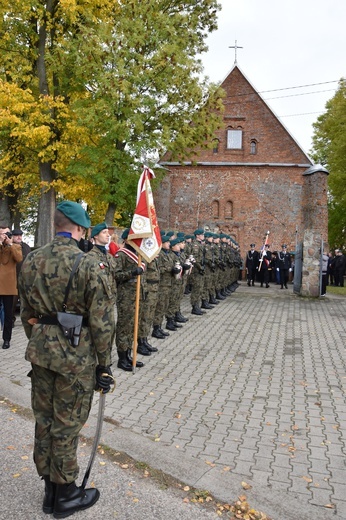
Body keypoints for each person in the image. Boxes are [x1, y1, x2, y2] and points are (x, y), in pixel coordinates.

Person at [18, 201, 115, 517]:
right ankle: (66, 495)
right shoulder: (89, 264)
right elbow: (102, 322)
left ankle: (50, 491)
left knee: (44, 420)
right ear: (78, 229)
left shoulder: (32, 260)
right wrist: (104, 365)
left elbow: (27, 313)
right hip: (76, 357)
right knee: (67, 423)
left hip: (41, 353)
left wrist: (42, 341)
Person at [113, 228, 147, 371]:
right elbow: (116, 274)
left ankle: (128, 355)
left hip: (136, 295)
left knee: (133, 326)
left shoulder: (137, 255)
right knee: (124, 326)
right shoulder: (121, 255)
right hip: (126, 296)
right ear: (127, 240)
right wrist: (132, 272)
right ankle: (122, 358)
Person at [0, 226, 23, 348]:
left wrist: (9, 244)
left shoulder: (15, 246)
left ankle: (7, 339)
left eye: (7, 234)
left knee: (9, 314)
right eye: (2, 234)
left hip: (8, 286)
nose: (5, 236)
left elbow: (19, 258)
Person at [11, 228, 31, 326]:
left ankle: (28, 319)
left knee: (26, 300)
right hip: (12, 278)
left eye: (20, 235)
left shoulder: (26, 247)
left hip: (25, 278)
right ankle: (11, 319)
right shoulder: (10, 247)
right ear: (12, 236)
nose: (19, 237)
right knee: (12, 301)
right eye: (16, 235)